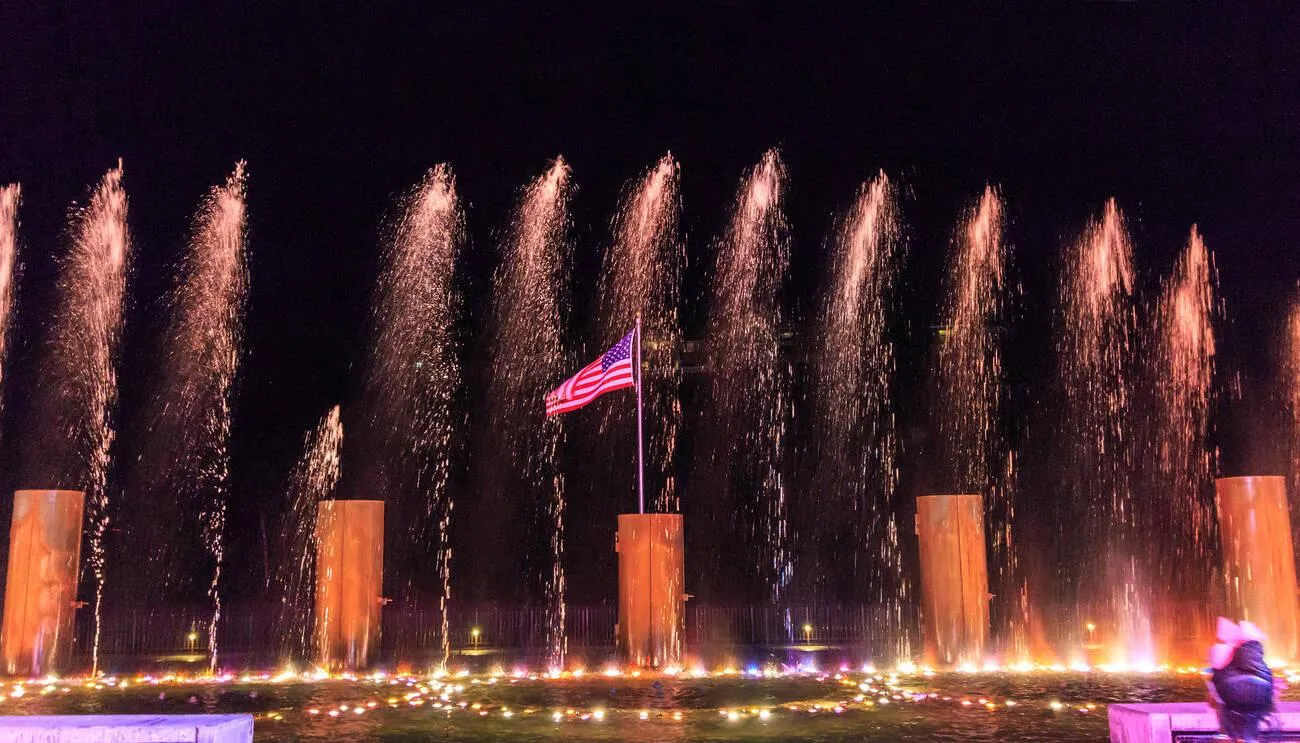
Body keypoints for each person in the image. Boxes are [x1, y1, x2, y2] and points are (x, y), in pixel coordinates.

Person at [1207, 618, 1275, 743]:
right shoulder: (1260, 661)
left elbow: (1216, 681)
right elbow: (1270, 688)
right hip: (1260, 694)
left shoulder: (1226, 652)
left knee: (1217, 694)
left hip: (1231, 696)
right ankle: (1248, 738)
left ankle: (1225, 734)